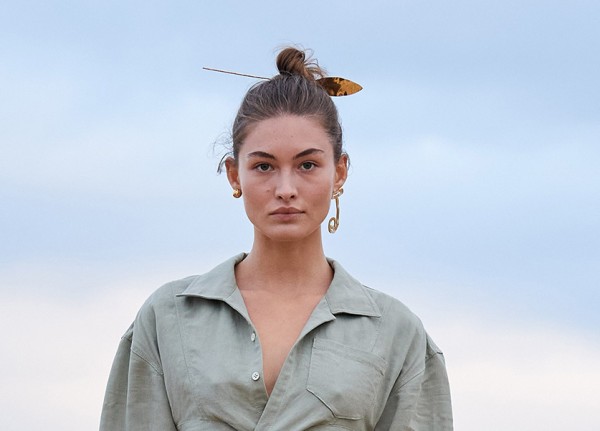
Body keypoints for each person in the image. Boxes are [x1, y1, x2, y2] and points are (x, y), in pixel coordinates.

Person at [100, 47, 453, 431]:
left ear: (340, 173)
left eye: (307, 165)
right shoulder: (168, 318)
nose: (285, 189)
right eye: (264, 166)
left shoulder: (397, 333)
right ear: (235, 175)